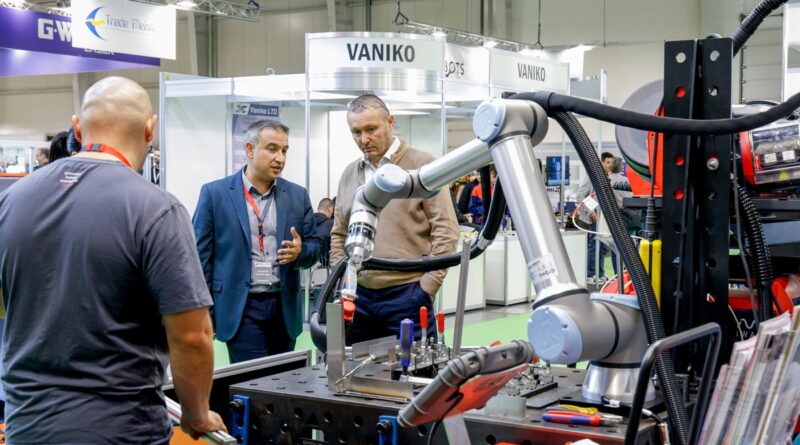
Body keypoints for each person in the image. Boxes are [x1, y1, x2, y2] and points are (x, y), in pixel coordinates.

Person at [0, 76, 224, 444]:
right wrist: (197, 413)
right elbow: (192, 336)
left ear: (77, 127)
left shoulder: (12, 200)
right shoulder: (155, 209)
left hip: (27, 426)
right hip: (121, 428)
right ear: (150, 130)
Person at [330, 94, 458, 345]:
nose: (364, 139)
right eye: (356, 132)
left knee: (417, 368)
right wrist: (341, 280)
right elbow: (339, 233)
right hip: (358, 297)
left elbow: (446, 230)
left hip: (407, 295)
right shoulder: (349, 174)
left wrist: (426, 288)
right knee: (358, 367)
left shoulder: (423, 165)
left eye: (371, 129)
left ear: (390, 122)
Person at [193, 120, 321, 364]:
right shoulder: (215, 194)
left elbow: (315, 247)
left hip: (284, 307)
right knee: (253, 379)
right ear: (250, 149)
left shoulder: (297, 195)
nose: (280, 158)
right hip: (241, 308)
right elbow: (200, 259)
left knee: (285, 378)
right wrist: (204, 311)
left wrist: (301, 252)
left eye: (284, 150)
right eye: (272, 149)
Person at [577, 151, 615, 283]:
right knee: (594, 245)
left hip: (604, 218)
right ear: (602, 162)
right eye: (608, 162)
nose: (610, 165)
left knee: (603, 246)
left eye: (611, 163)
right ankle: (590, 274)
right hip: (594, 218)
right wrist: (592, 211)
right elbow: (580, 196)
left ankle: (600, 273)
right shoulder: (592, 176)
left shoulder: (607, 177)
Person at [314, 197, 335, 267]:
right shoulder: (332, 224)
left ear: (318, 209)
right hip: (333, 264)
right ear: (330, 210)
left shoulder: (309, 223)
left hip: (315, 262)